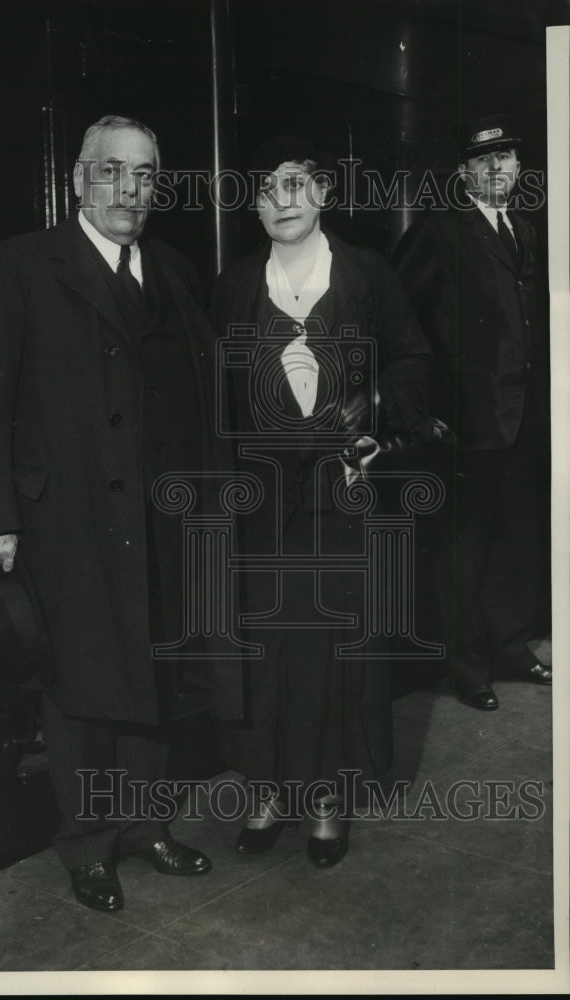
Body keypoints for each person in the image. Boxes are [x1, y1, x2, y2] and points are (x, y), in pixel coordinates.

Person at [0, 114, 242, 912]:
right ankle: (87, 844)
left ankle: (145, 826)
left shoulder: (177, 271)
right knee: (79, 685)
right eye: (114, 171)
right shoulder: (23, 265)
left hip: (158, 518)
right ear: (81, 178)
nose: (131, 189)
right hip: (67, 520)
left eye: (146, 175)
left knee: (148, 677)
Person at [209, 136, 434, 867]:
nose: (283, 198)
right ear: (254, 204)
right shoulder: (234, 284)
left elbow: (413, 358)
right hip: (265, 501)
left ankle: (331, 802)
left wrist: (375, 409)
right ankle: (270, 793)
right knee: (270, 647)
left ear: (324, 195)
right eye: (268, 187)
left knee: (338, 646)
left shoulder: (367, 274)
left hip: (343, 492)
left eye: (298, 183)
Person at [393, 114, 552, 711]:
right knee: (466, 549)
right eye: (483, 161)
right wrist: (429, 407)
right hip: (470, 421)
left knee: (517, 539)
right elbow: (400, 319)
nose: (496, 168)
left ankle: (511, 649)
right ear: (464, 174)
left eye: (505, 158)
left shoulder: (526, 229)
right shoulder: (440, 231)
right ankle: (467, 670)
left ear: (517, 167)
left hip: (523, 418)